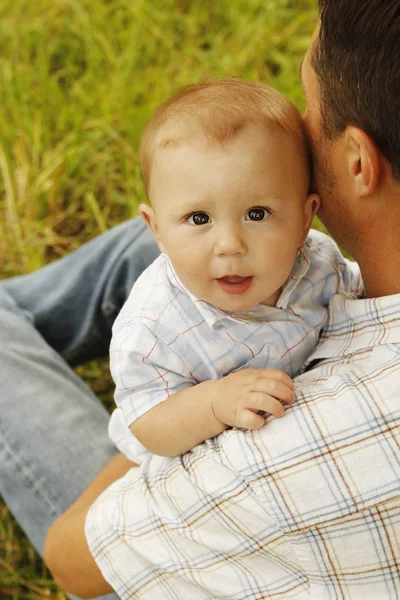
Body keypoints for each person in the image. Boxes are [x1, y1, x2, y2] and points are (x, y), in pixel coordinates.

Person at [0, 0, 399, 598]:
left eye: (311, 112)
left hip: (168, 498)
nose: (230, 244)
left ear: (358, 162)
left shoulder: (280, 459)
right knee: (214, 225)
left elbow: (73, 558)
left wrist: (207, 405)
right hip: (200, 328)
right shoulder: (168, 320)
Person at [107, 77, 361, 463]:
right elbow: (148, 422)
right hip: (162, 459)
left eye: (256, 214)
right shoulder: (151, 330)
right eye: (199, 217)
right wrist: (213, 403)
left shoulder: (319, 262)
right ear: (156, 229)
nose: (230, 245)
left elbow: (363, 294)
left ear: (305, 218)